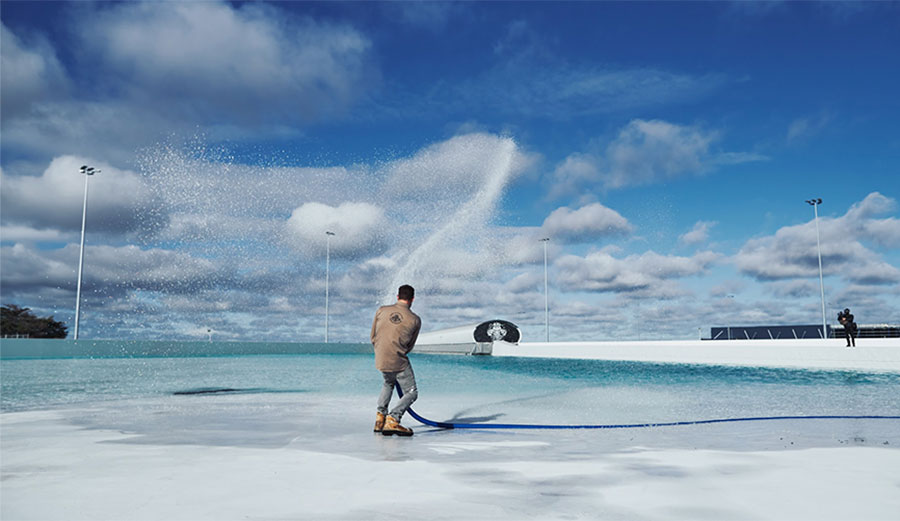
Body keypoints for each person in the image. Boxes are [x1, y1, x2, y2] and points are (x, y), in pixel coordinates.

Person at [371, 284, 421, 436]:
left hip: (380, 357)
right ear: (412, 299)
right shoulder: (415, 319)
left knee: (388, 382)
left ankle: (380, 419)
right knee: (412, 392)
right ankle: (393, 419)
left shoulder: (381, 310)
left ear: (398, 297)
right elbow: (409, 346)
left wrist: (382, 351)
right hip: (398, 359)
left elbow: (373, 337)